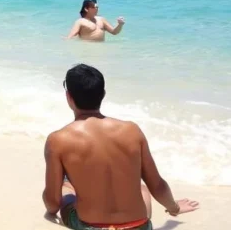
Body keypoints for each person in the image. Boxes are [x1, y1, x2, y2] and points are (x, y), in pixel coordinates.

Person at [42, 64, 199, 230]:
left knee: (67, 188)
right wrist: (174, 208)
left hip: (90, 227)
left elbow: (53, 202)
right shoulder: (132, 130)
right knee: (143, 188)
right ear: (103, 94)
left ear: (69, 97)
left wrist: (55, 209)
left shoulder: (58, 140)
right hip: (138, 227)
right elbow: (157, 185)